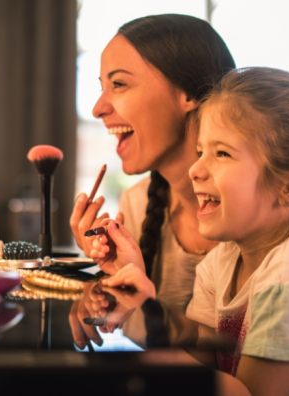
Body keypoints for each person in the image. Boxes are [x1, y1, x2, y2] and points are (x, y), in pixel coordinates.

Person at [91, 67, 289, 395]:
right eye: (201, 151)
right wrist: (144, 304)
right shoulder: (222, 261)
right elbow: (206, 353)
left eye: (222, 153)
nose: (195, 169)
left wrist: (158, 346)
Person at [69, 14, 235, 348]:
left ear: (188, 93)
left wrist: (141, 304)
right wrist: (106, 284)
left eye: (119, 84)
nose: (98, 107)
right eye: (102, 87)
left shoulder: (252, 211)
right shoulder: (137, 205)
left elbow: (237, 365)